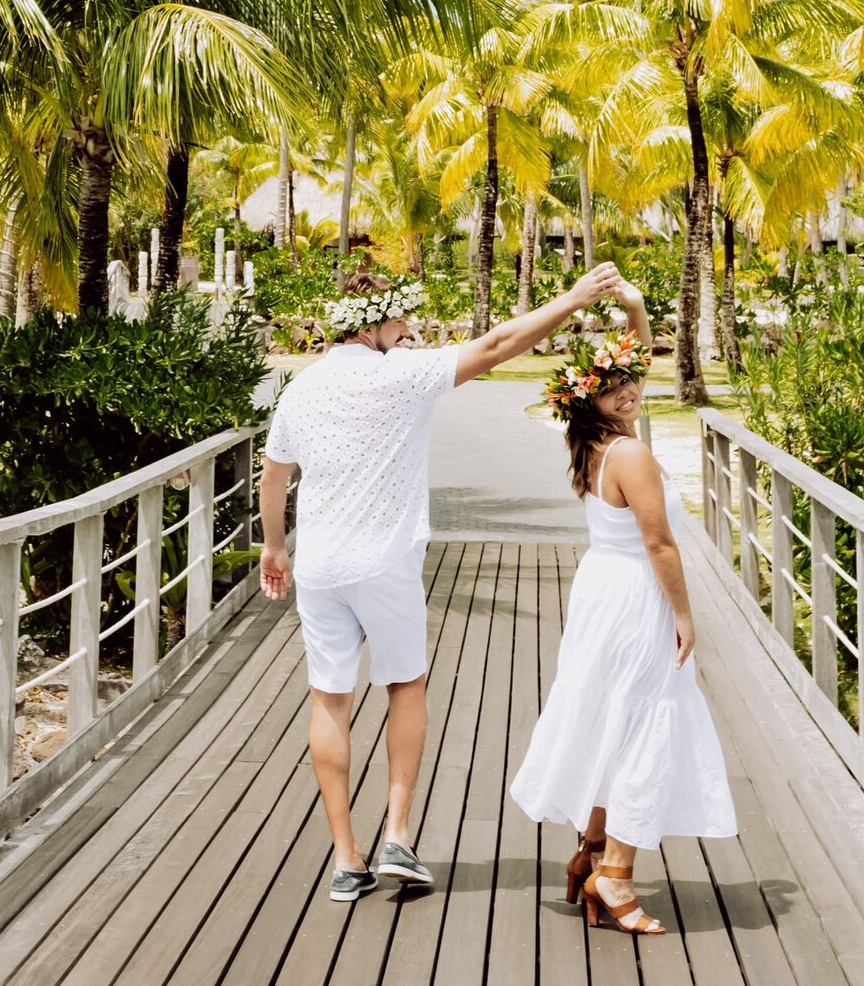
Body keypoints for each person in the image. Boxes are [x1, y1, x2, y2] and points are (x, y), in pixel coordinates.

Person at [259, 259, 625, 903]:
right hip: (384, 562)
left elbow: (274, 476)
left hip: (319, 566)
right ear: (381, 322)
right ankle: (397, 834)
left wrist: (275, 548)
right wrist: (571, 298)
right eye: (403, 322)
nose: (409, 333)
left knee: (329, 699)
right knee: (405, 684)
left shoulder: (302, 389)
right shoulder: (405, 374)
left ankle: (347, 858)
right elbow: (496, 345)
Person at [510, 279, 736, 934]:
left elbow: (632, 357)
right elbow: (661, 543)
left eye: (629, 382)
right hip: (636, 597)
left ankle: (590, 852)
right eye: (615, 388)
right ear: (594, 402)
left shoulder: (595, 447)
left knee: (614, 717)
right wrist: (686, 616)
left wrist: (636, 303)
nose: (630, 390)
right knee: (646, 727)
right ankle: (615, 874)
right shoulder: (632, 451)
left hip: (600, 591)